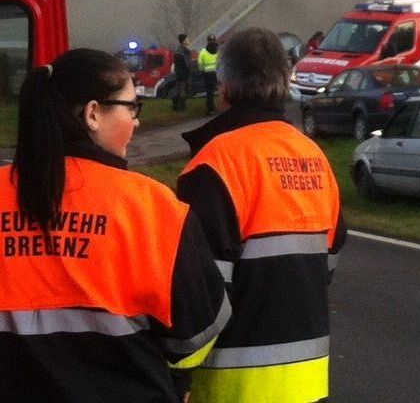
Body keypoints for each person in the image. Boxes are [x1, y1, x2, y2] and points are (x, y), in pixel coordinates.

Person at [0, 48, 230, 402]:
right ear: (93, 114)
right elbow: (198, 331)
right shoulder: (153, 207)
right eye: (131, 106)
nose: (137, 120)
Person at [178, 27, 346, 403]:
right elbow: (325, 267)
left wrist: (176, 376)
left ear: (223, 87)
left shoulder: (215, 163)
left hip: (230, 389)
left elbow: (199, 296)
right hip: (307, 386)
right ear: (284, 81)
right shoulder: (313, 157)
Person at [196, 35, 219, 116]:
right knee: (222, 90)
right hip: (218, 74)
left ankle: (211, 109)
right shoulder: (219, 50)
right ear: (215, 40)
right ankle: (223, 107)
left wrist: (202, 70)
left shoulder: (203, 52)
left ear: (207, 41)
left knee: (210, 92)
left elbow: (200, 64)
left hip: (208, 75)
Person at [172, 32, 193, 112]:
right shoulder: (182, 51)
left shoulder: (179, 50)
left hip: (180, 73)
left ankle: (176, 105)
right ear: (183, 40)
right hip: (183, 74)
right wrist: (189, 71)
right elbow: (186, 64)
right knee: (182, 90)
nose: (189, 40)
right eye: (187, 39)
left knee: (179, 90)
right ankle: (181, 107)